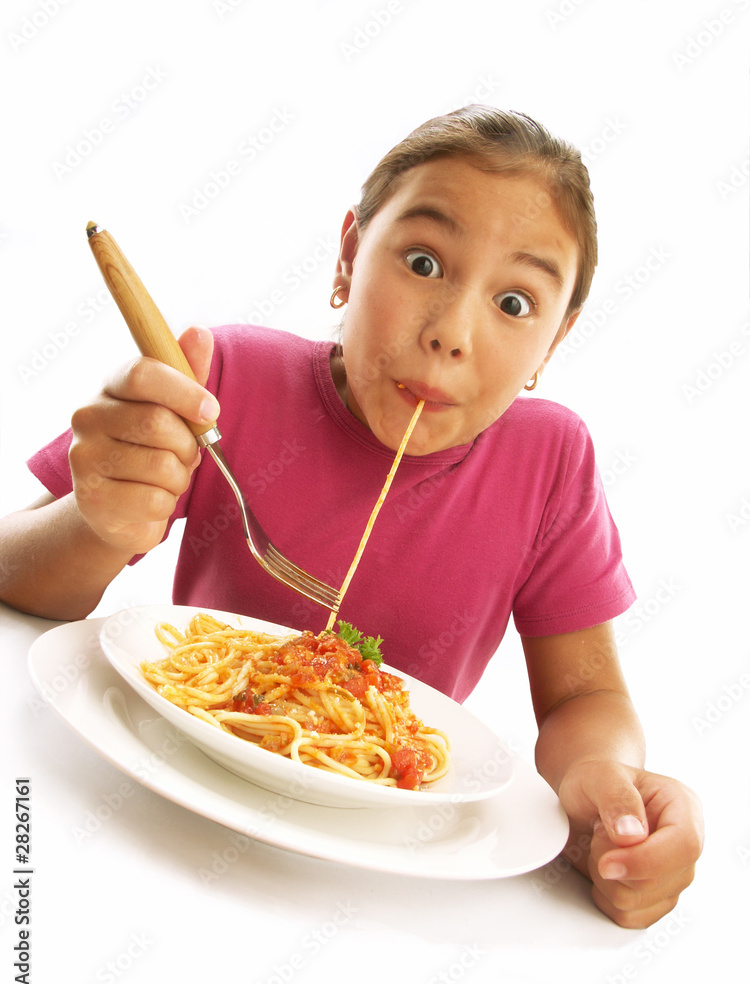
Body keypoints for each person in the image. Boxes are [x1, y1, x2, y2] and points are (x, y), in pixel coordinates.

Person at [0, 106, 703, 927]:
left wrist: (601, 784)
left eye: (514, 301)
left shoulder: (550, 463)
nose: (450, 333)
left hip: (381, 886)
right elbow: (18, 567)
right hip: (157, 807)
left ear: (554, 341)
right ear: (348, 256)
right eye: (422, 261)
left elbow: (586, 699)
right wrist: (97, 524)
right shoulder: (225, 379)